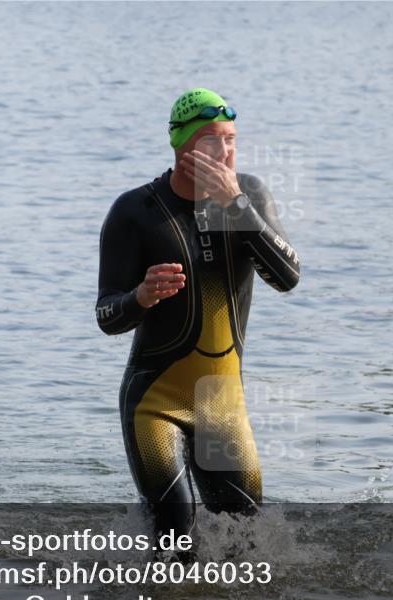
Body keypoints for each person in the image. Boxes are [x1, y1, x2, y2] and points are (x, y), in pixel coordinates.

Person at [95, 87, 300, 547]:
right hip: (156, 402)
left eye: (230, 139)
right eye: (211, 140)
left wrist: (235, 206)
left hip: (222, 405)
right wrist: (141, 297)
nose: (224, 152)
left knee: (245, 542)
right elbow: (107, 316)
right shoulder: (135, 212)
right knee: (175, 529)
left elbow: (287, 278)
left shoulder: (249, 195)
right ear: (181, 145)